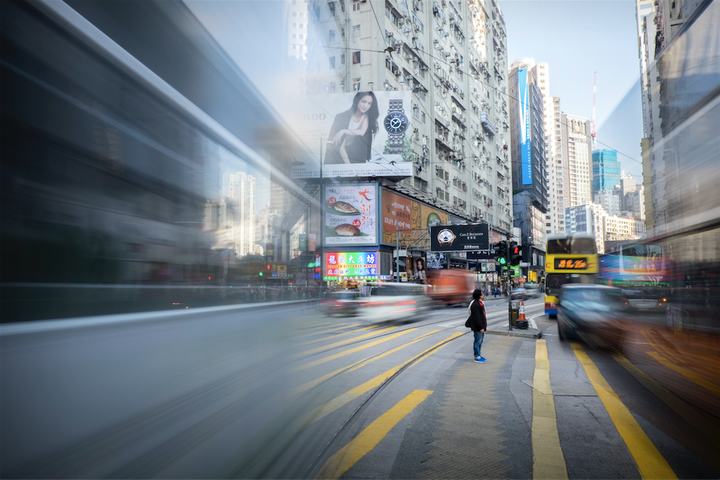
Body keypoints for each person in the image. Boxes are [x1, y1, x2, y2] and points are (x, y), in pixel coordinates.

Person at [325, 92, 379, 164]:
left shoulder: (366, 117)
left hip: (355, 152)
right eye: (363, 102)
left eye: (369, 103)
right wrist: (349, 166)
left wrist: (343, 131)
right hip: (339, 153)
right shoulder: (342, 117)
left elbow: (361, 132)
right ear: (357, 100)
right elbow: (341, 147)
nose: (366, 106)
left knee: (361, 138)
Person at [467, 289, 487, 363]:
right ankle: (476, 356)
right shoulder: (475, 304)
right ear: (479, 295)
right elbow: (477, 317)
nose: (483, 294)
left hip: (481, 326)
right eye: (482, 293)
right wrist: (481, 327)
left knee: (480, 341)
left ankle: (479, 355)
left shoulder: (480, 303)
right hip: (478, 327)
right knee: (477, 341)